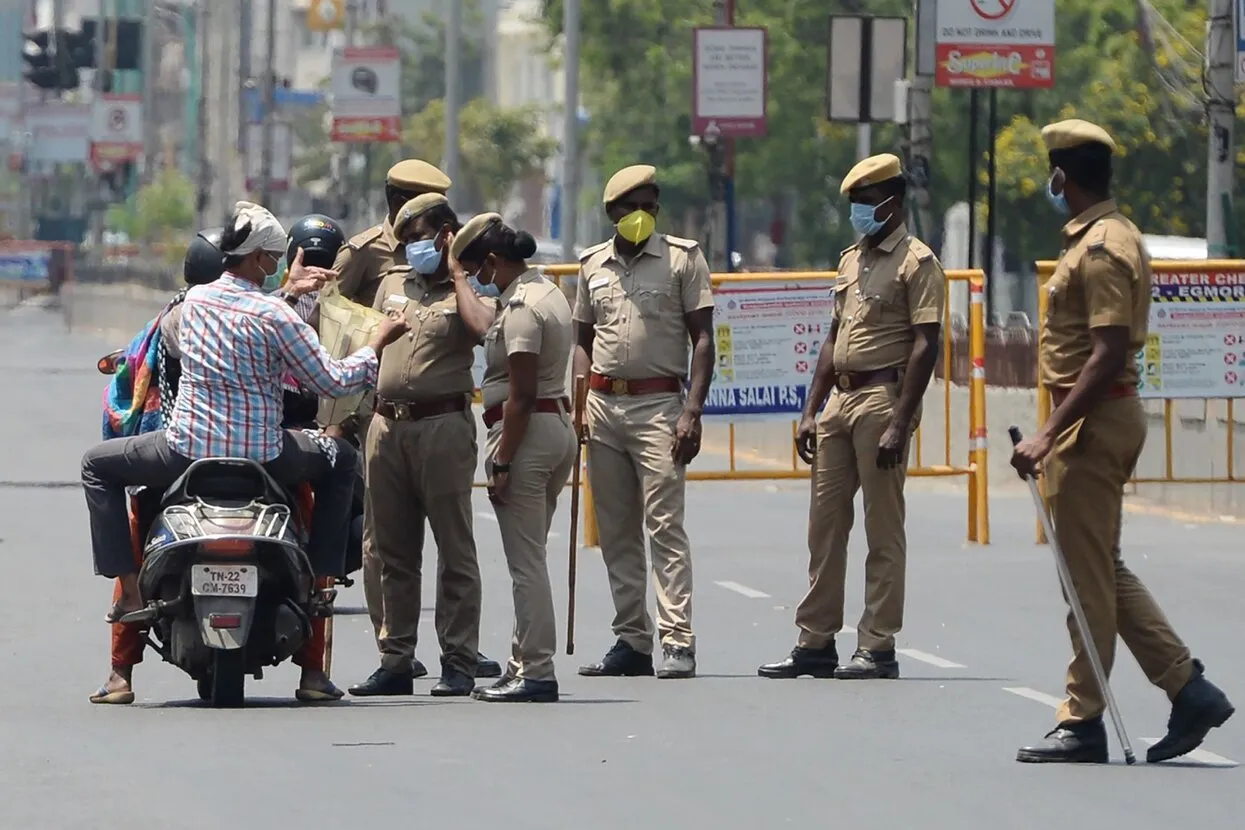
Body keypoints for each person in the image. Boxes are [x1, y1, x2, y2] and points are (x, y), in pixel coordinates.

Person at [81, 201, 409, 704]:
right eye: (274, 258)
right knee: (341, 463)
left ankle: (128, 592)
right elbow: (331, 379)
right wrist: (379, 341)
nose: (278, 266)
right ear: (258, 258)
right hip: (266, 455)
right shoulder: (276, 315)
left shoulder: (189, 308)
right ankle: (320, 589)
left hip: (184, 452)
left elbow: (160, 350)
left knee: (97, 466)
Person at [1010, 119, 1234, 764]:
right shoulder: (1105, 235)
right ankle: (1188, 688)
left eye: (1052, 171)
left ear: (1062, 175)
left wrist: (1049, 433)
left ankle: (1082, 719)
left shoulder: (1103, 247)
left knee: (1084, 580)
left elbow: (1106, 353)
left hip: (1092, 422)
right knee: (1099, 569)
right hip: (1096, 419)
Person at [758, 153, 944, 683]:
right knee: (825, 524)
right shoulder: (851, 260)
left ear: (893, 201)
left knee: (882, 528)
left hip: (883, 398)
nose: (859, 211)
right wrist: (810, 409)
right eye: (855, 203)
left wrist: (899, 423)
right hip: (839, 402)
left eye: (866, 201)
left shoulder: (917, 263)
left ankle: (877, 644)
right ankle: (815, 640)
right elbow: (832, 338)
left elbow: (927, 346)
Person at [348, 194, 498, 698]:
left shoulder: (471, 287)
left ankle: (458, 659)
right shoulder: (392, 284)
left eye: (422, 237)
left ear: (447, 235)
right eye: (406, 239)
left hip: (443, 427)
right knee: (391, 550)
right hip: (387, 426)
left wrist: (456, 272)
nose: (414, 248)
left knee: (454, 550)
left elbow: (483, 329)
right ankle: (396, 657)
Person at [572, 164, 715, 680]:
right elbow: (582, 341)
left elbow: (703, 338)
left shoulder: (683, 259)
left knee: (664, 526)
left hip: (659, 408)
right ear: (613, 213)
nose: (643, 216)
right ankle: (631, 639)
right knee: (615, 530)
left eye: (651, 207)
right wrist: (578, 402)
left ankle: (677, 638)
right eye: (634, 208)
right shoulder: (592, 265)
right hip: (604, 406)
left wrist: (691, 412)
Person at [448, 213, 577, 703]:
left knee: (526, 563)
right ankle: (523, 660)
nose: (481, 279)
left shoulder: (523, 308)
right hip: (553, 427)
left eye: (480, 270)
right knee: (533, 556)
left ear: (496, 261)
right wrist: (460, 278)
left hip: (527, 433)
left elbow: (521, 394)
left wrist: (502, 460)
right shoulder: (545, 291)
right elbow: (485, 325)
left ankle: (537, 671)